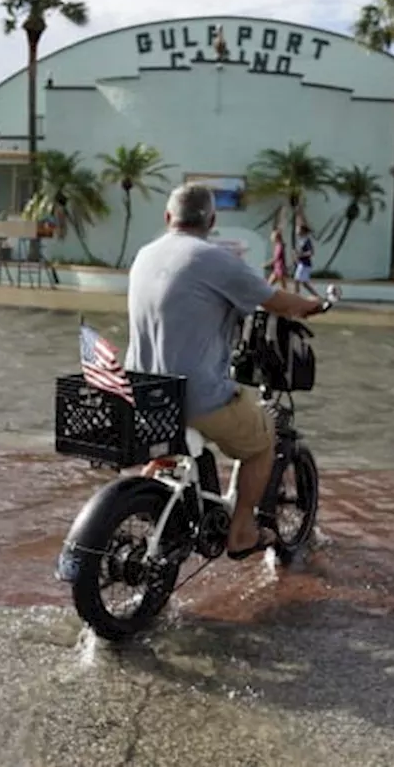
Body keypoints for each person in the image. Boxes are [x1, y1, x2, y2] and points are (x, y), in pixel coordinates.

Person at [126, 184, 323, 560]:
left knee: (178, 441)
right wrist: (312, 306)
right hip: (196, 396)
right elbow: (278, 301)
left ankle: (156, 486)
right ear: (211, 221)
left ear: (168, 218)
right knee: (262, 440)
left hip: (144, 393)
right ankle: (243, 529)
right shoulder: (213, 259)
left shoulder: (145, 254)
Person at [292, 221, 320, 297]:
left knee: (297, 280)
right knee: (304, 283)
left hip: (305, 265)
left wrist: (300, 255)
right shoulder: (301, 241)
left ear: (302, 231)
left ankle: (296, 296)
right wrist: (296, 256)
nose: (296, 231)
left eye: (298, 229)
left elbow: (311, 252)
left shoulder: (307, 240)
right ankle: (317, 296)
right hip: (301, 264)